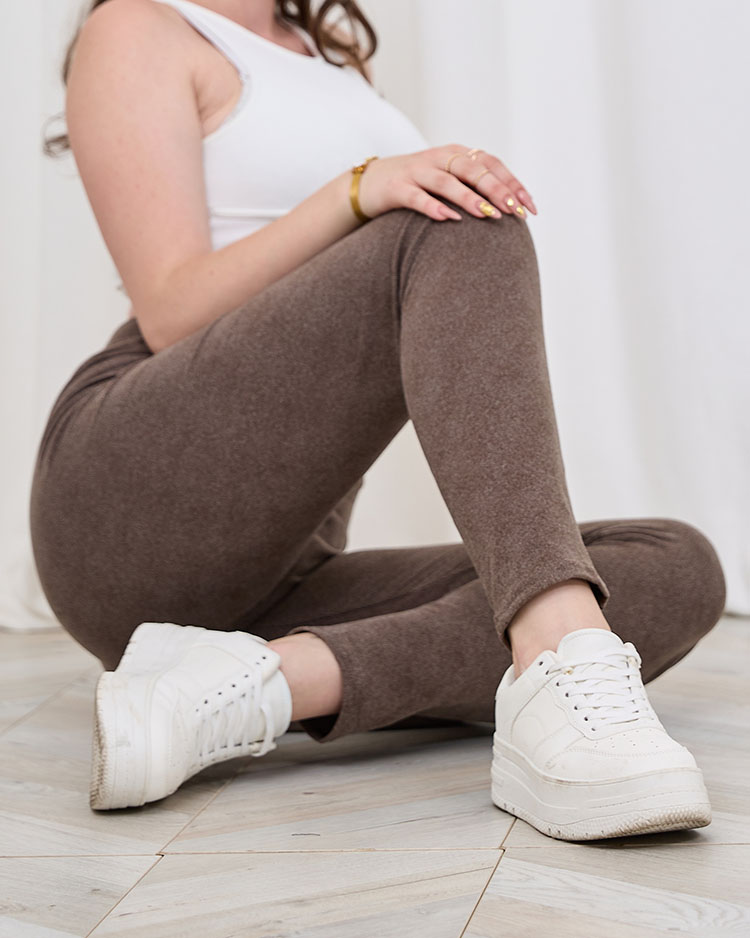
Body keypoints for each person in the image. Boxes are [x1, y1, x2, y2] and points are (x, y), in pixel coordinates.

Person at [31, 0, 726, 840]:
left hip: (283, 565)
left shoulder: (317, 50)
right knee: (461, 221)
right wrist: (361, 190)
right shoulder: (139, 24)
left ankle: (249, 684)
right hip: (129, 499)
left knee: (677, 567)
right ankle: (557, 665)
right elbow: (170, 309)